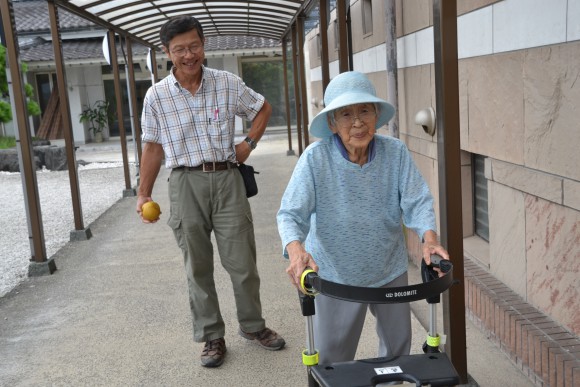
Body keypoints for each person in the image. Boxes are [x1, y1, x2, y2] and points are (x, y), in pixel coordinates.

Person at [137, 15, 285, 368]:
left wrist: (248, 143)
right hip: (184, 182)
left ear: (203, 44)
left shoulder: (227, 83)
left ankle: (253, 326)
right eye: (180, 50)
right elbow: (152, 146)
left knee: (242, 262)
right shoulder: (156, 95)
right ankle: (211, 337)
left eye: (194, 46)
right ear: (166, 52)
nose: (189, 55)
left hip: (227, 179)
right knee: (197, 267)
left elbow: (262, 108)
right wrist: (143, 194)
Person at [276, 71, 449, 365]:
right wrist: (296, 250)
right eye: (346, 114)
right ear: (332, 122)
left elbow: (417, 200)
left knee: (398, 354)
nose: (357, 122)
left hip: (388, 268)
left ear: (376, 114)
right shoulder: (315, 159)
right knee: (333, 360)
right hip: (335, 274)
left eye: (364, 110)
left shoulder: (395, 152)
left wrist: (429, 238)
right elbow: (291, 214)